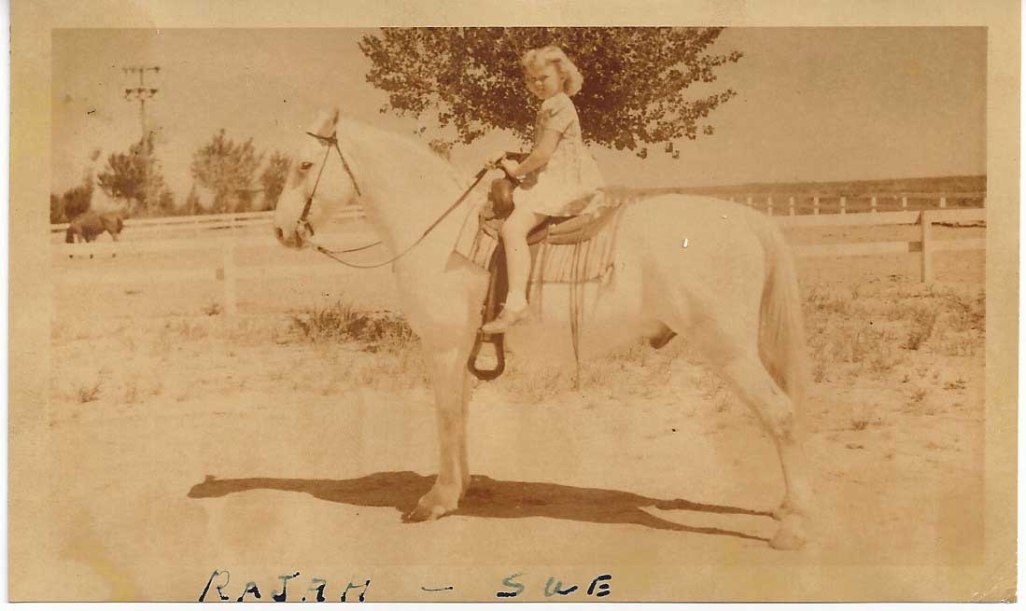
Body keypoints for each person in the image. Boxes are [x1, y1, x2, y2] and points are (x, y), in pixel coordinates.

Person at [481, 45, 605, 334]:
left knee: (512, 230)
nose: (536, 84)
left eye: (543, 77)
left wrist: (514, 169)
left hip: (561, 183)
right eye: (531, 79)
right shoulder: (555, 104)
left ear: (562, 76)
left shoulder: (557, 105)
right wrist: (508, 154)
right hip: (555, 176)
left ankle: (515, 303)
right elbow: (543, 150)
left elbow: (542, 155)